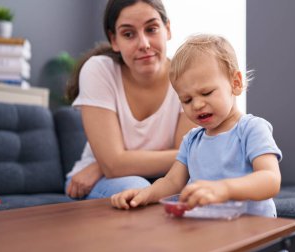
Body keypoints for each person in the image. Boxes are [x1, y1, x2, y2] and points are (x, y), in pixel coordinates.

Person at [111, 34, 283, 218]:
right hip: (208, 230)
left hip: (255, 232)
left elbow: (270, 179)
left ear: (236, 83)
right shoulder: (192, 140)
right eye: (187, 99)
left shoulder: (251, 129)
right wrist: (144, 194)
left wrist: (225, 189)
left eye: (206, 93)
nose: (197, 105)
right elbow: (172, 182)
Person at [64, 0, 195, 199]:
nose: (144, 44)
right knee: (138, 189)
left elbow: (187, 159)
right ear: (114, 40)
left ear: (167, 29)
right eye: (128, 34)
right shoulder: (99, 71)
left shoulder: (186, 76)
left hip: (166, 181)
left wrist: (105, 164)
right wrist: (108, 165)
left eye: (151, 29)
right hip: (100, 182)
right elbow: (185, 155)